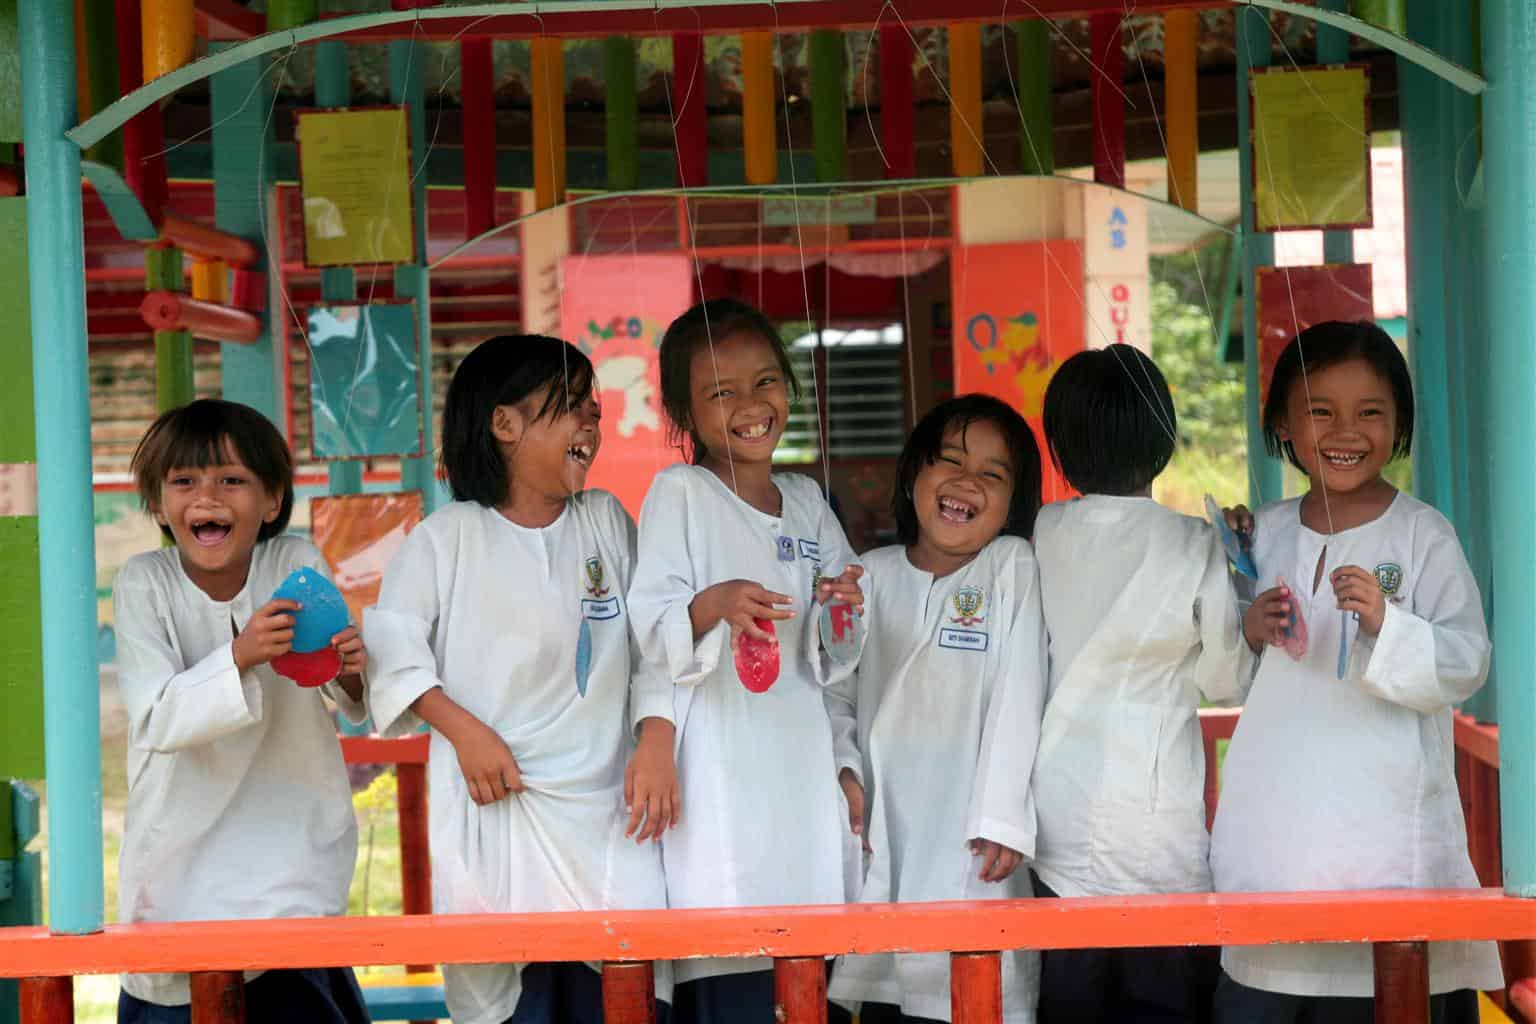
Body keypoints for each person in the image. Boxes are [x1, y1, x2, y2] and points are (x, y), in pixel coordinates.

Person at [365, 336, 674, 1024]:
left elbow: (653, 647)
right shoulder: (445, 538)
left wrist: (656, 741)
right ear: (504, 425)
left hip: (608, 819)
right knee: (508, 999)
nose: (590, 425)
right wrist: (461, 730)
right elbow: (392, 649)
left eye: (593, 410)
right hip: (492, 815)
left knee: (621, 995)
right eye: (568, 409)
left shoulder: (607, 523)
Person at [1212, 321, 1500, 1023]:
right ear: (1281, 420)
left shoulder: (1421, 533)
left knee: (1394, 980)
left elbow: (1466, 660)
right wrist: (1249, 630)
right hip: (1276, 842)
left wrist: (1387, 624)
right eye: (1320, 410)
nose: (1347, 430)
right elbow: (1224, 673)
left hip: (1390, 841)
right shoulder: (1262, 533)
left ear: (1400, 421)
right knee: (1270, 979)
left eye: (1371, 411)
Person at [627, 299, 865, 1024]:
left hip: (799, 762)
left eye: (766, 381)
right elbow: (649, 621)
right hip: (719, 766)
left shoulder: (807, 502)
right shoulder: (682, 493)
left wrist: (840, 603)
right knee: (731, 945)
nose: (752, 406)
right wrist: (714, 602)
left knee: (806, 955)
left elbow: (840, 653)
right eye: (721, 393)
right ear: (683, 413)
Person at [114, 399, 368, 1024]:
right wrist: (241, 653)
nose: (208, 497)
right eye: (184, 482)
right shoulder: (144, 583)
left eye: (231, 480)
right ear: (157, 503)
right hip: (180, 865)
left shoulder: (295, 563)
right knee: (182, 992)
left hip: (291, 858)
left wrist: (354, 671)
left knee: (296, 994)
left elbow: (342, 692)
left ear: (273, 500)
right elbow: (156, 720)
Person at [1027, 345, 1251, 1023]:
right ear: (1163, 440)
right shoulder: (1195, 544)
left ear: (1059, 447)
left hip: (1054, 830)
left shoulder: (1038, 532)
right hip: (1160, 835)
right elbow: (1225, 676)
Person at [827, 394, 1048, 1024]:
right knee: (887, 984)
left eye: (992, 475)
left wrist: (1003, 816)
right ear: (912, 477)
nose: (965, 483)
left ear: (1013, 504)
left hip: (972, 843)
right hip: (882, 831)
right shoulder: (868, 575)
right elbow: (834, 690)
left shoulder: (1012, 567)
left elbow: (1021, 690)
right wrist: (845, 769)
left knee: (971, 986)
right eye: (948, 461)